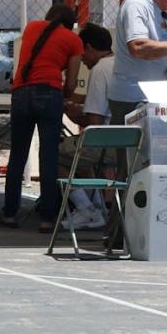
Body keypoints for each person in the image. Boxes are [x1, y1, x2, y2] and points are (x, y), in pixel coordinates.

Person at [0, 4, 83, 233]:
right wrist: (64, 96)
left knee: (18, 154)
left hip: (21, 92)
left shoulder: (31, 27)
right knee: (48, 157)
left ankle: (9, 213)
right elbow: (72, 83)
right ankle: (47, 218)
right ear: (70, 24)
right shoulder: (73, 40)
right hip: (50, 93)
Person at [56, 23, 116, 231]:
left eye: (83, 53)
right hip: (126, 142)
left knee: (53, 154)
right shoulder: (118, 64)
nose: (81, 59)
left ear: (89, 48)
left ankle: (85, 208)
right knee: (80, 155)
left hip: (105, 145)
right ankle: (97, 208)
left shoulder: (99, 70)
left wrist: (75, 116)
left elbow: (95, 124)